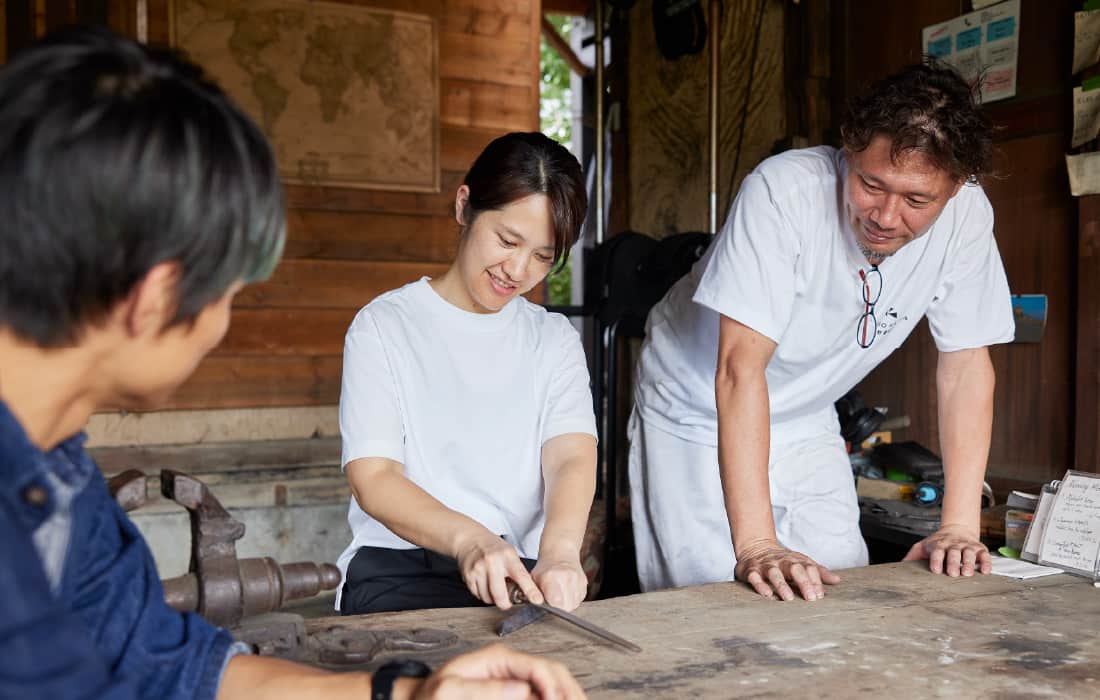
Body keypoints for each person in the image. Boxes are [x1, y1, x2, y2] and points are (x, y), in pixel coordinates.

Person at [0, 27, 585, 700]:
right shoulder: (386, 324)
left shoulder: (62, 477)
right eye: (228, 292)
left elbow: (173, 665)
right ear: (153, 300)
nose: (221, 327)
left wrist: (407, 695)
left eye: (541, 255)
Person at [629, 60, 1014, 601]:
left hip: (806, 412)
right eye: (871, 184)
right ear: (849, 148)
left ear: (955, 187)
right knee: (714, 598)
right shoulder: (783, 194)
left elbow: (967, 367)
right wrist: (758, 545)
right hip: (696, 404)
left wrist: (958, 527)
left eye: (916, 201)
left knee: (843, 590)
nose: (885, 215)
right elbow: (739, 370)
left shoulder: (967, 217)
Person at [337, 132, 597, 616]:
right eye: (507, 240)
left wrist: (560, 555)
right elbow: (374, 476)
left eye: (543, 256)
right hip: (399, 567)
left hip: (517, 574)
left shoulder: (553, 339)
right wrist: (471, 540)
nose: (517, 270)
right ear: (464, 206)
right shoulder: (385, 325)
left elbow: (570, 458)